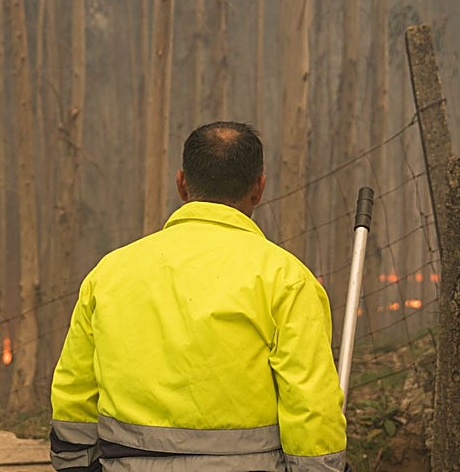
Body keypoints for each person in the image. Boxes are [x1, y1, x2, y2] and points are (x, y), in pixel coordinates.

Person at [49, 121, 347, 472]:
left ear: (182, 183)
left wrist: (75, 463)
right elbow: (310, 404)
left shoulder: (110, 273)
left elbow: (74, 387)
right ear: (259, 189)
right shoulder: (287, 279)